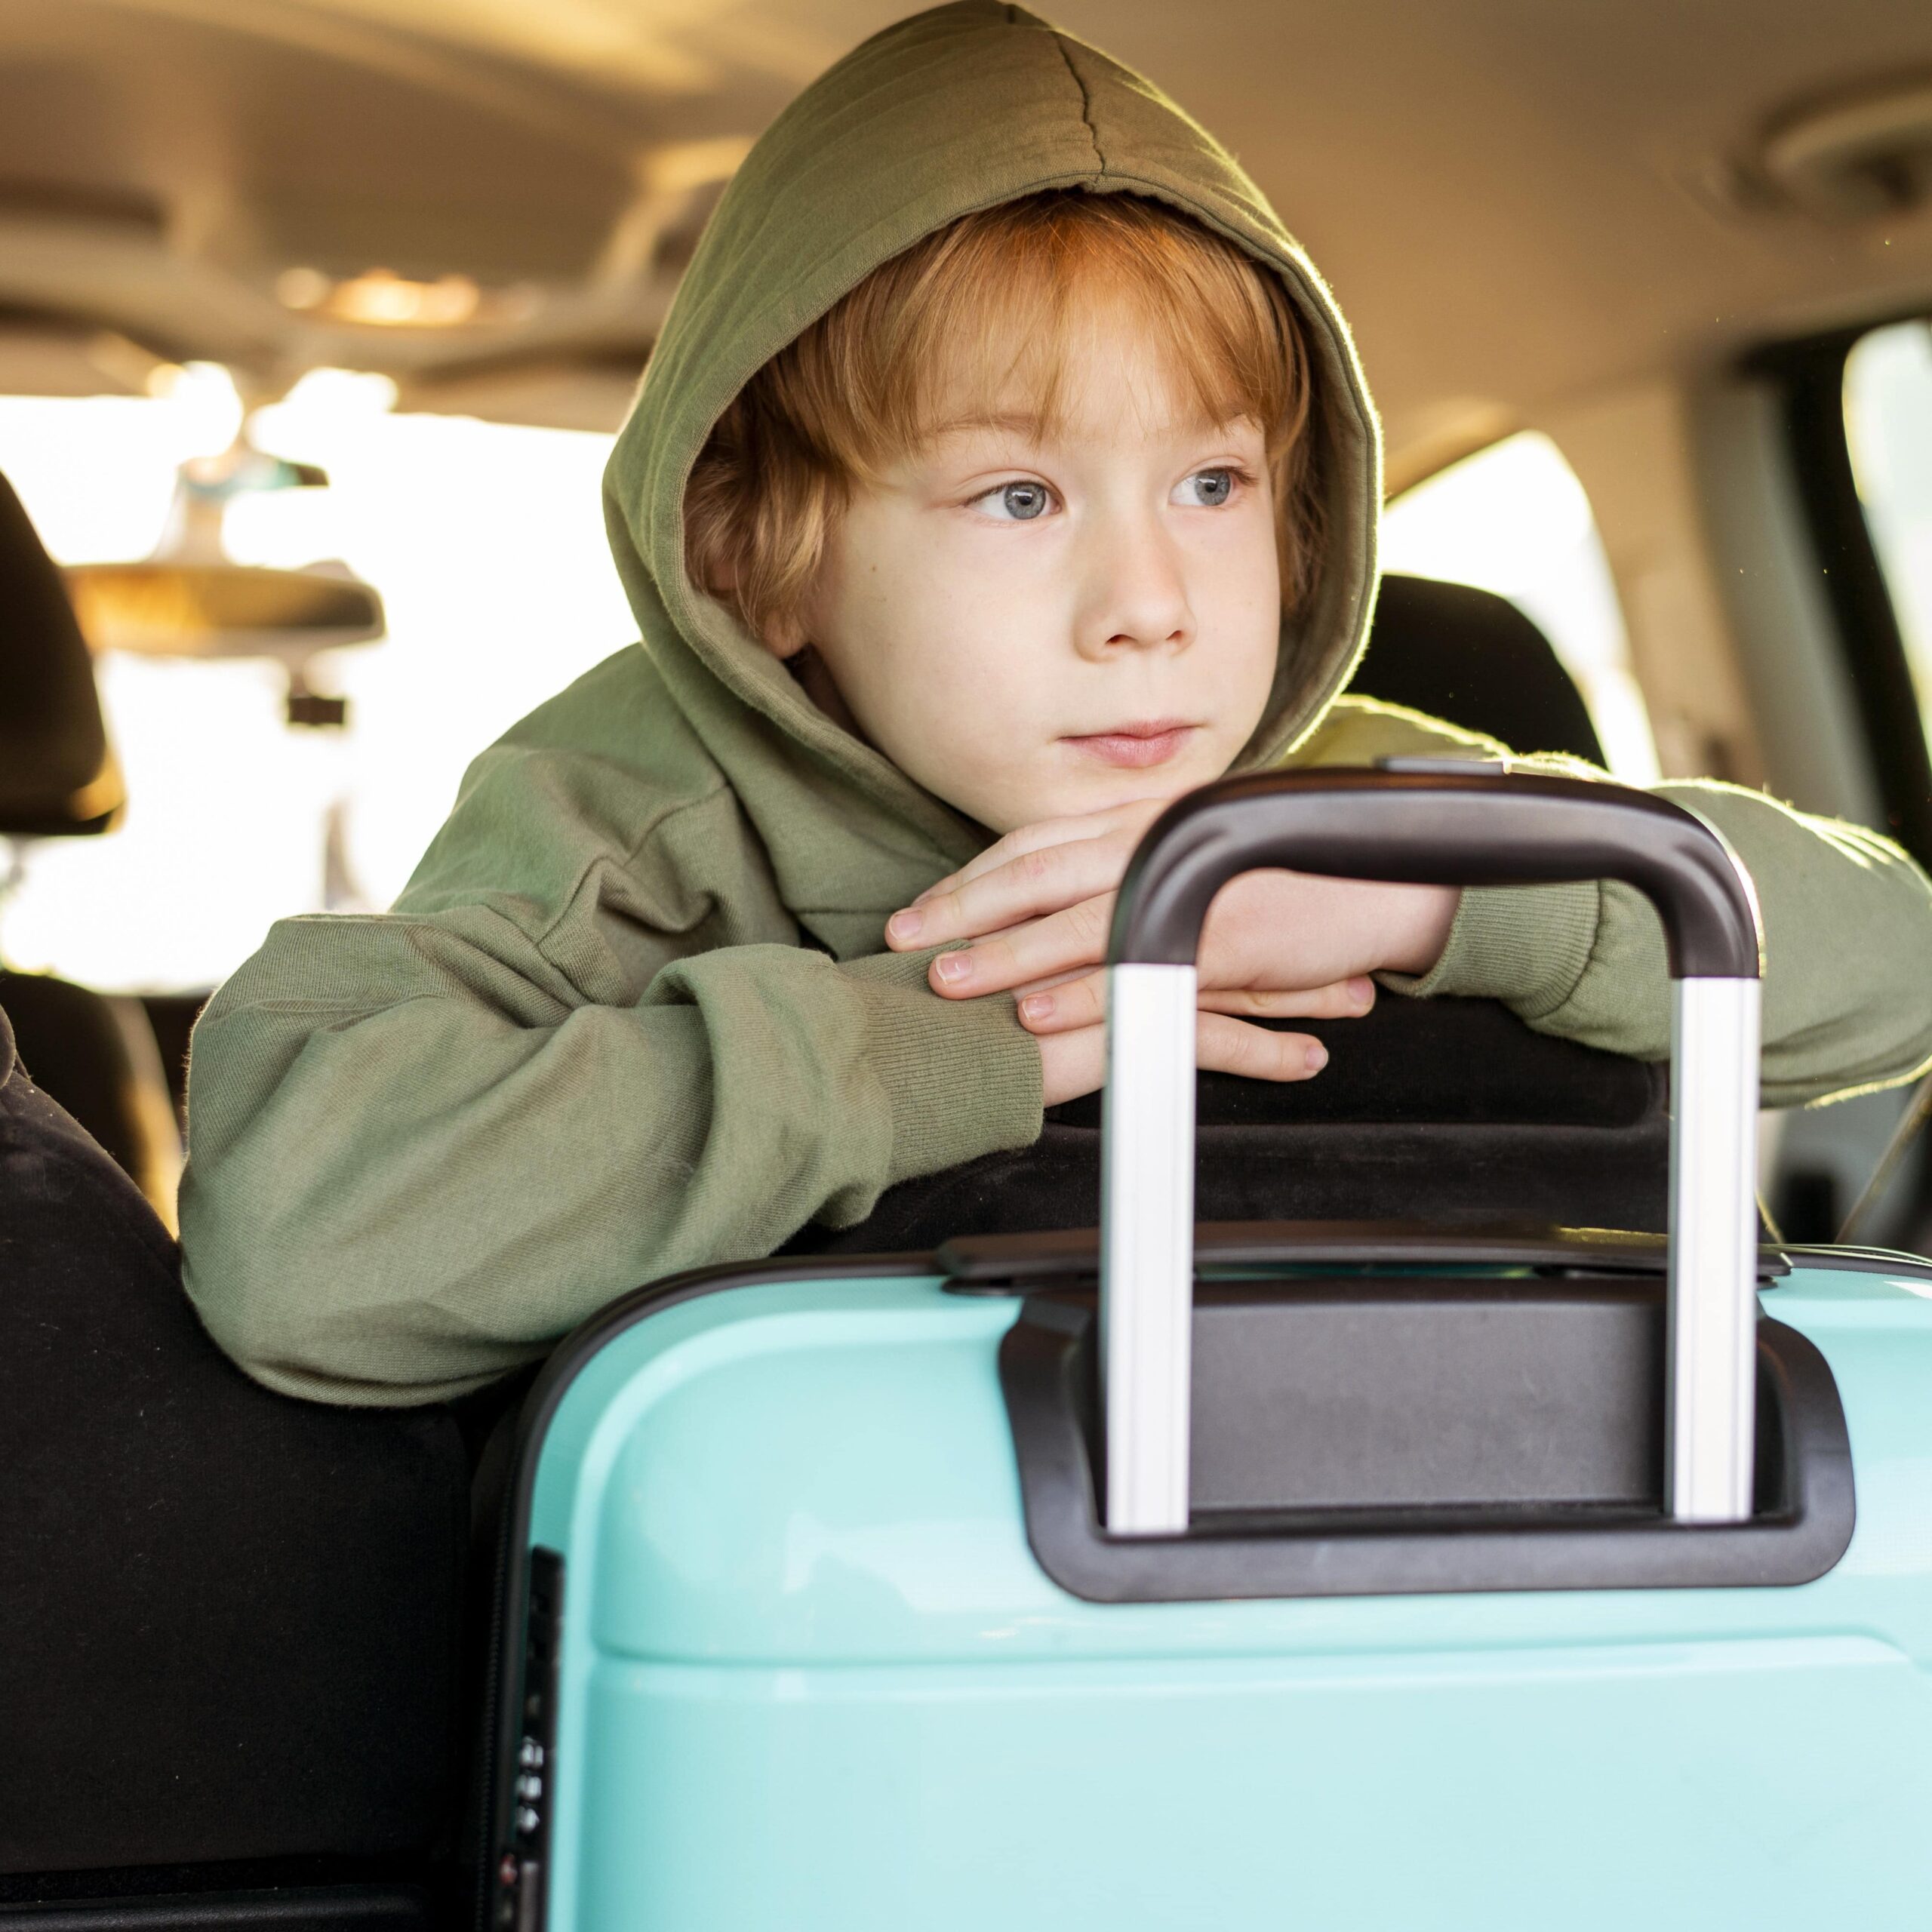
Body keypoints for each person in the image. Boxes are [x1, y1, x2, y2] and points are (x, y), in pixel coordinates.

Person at [179, 1, 1932, 1405]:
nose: (1147, 609)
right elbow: (299, 1243)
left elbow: (1895, 961)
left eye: (1212, 485)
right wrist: (923, 1040)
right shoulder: (621, 823)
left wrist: (1426, 891)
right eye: (1016, 498)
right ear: (760, 555)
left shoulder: (1341, 793)